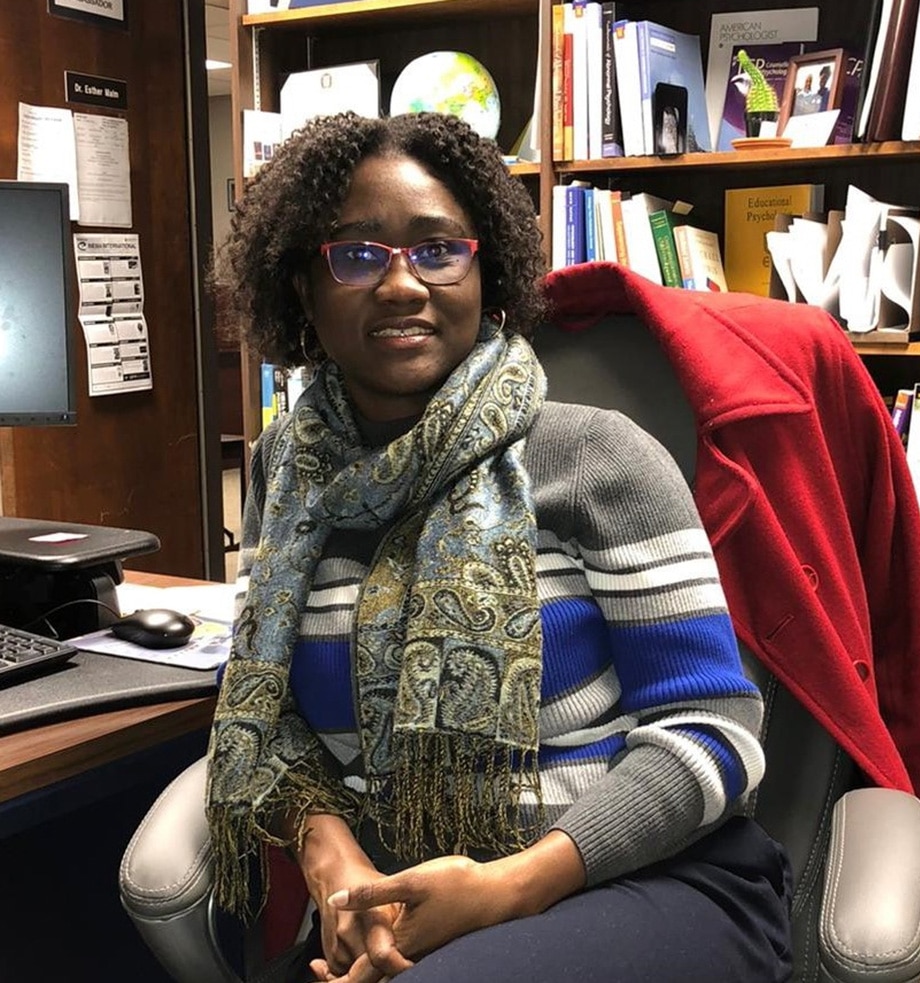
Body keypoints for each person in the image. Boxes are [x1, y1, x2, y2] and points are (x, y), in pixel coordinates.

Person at [206, 110, 793, 983]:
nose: (403, 285)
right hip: (403, 904)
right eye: (357, 255)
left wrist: (511, 886)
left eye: (439, 249)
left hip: (647, 880)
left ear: (487, 272)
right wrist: (337, 869)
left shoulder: (595, 456)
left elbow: (717, 727)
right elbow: (267, 711)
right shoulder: (287, 480)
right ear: (301, 287)